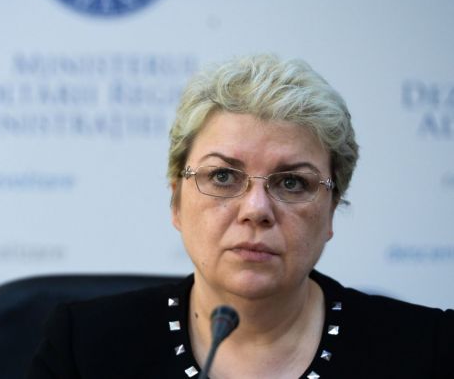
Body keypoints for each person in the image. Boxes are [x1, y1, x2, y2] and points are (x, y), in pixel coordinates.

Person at [25, 54, 454, 378]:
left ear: (330, 211)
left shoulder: (429, 351)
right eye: (223, 176)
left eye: (292, 183)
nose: (256, 210)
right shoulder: (85, 346)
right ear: (176, 202)